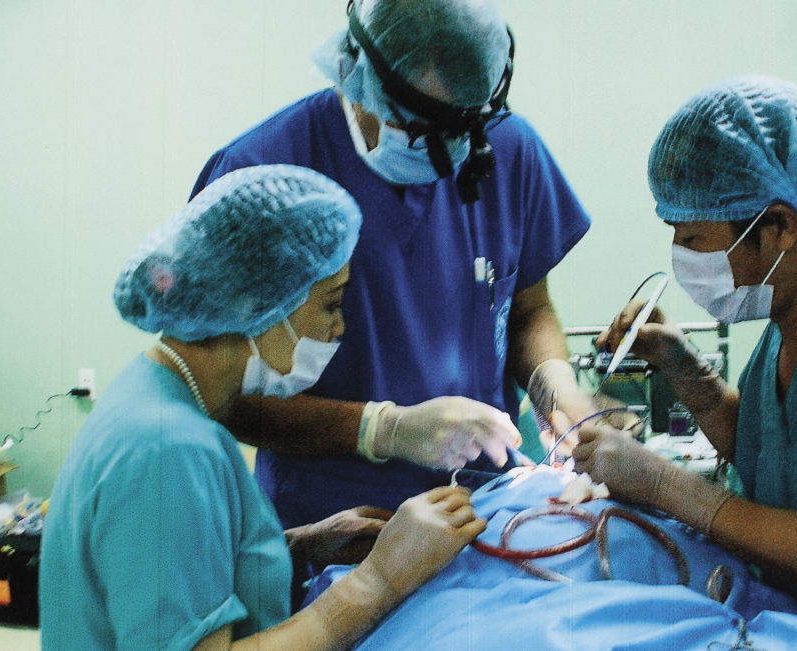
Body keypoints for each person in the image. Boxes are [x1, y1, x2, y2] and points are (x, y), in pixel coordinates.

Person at [190, 0, 620, 530]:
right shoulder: (263, 174)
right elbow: (222, 392)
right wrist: (382, 429)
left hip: (492, 506)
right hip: (337, 521)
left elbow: (529, 309)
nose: (447, 152)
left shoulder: (505, 145)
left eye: (461, 131)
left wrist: (557, 388)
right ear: (358, 74)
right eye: (422, 132)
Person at [39, 165, 486, 651]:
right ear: (259, 302)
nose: (339, 328)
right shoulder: (169, 449)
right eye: (331, 304)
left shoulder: (153, 393)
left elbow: (175, 566)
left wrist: (297, 545)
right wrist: (379, 580)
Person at [570, 75, 797, 639]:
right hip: (785, 615)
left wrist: (665, 486)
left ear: (781, 226)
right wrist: (684, 368)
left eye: (692, 239)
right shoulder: (790, 316)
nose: (681, 258)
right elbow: (770, 452)